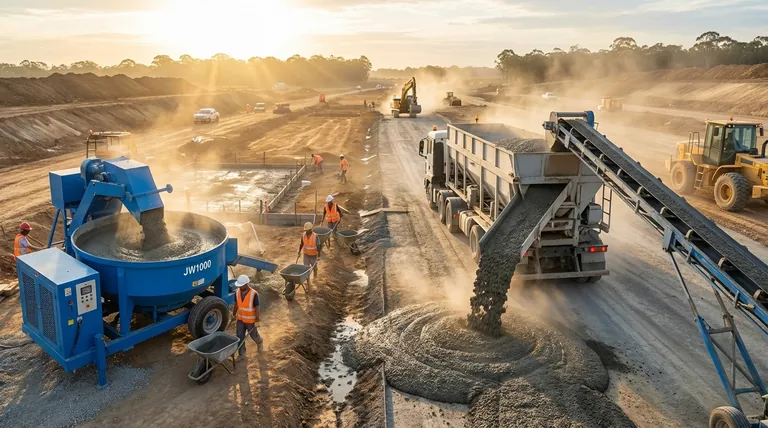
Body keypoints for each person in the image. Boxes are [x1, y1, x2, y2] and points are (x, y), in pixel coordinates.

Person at [231, 274, 262, 358]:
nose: (240, 287)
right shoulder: (237, 292)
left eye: (241, 286)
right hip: (240, 319)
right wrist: (233, 314)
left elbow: (257, 307)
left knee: (253, 335)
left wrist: (257, 319)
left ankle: (259, 342)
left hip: (250, 321)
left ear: (246, 284)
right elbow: (236, 305)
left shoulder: (254, 294)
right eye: (239, 286)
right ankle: (242, 353)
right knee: (240, 336)